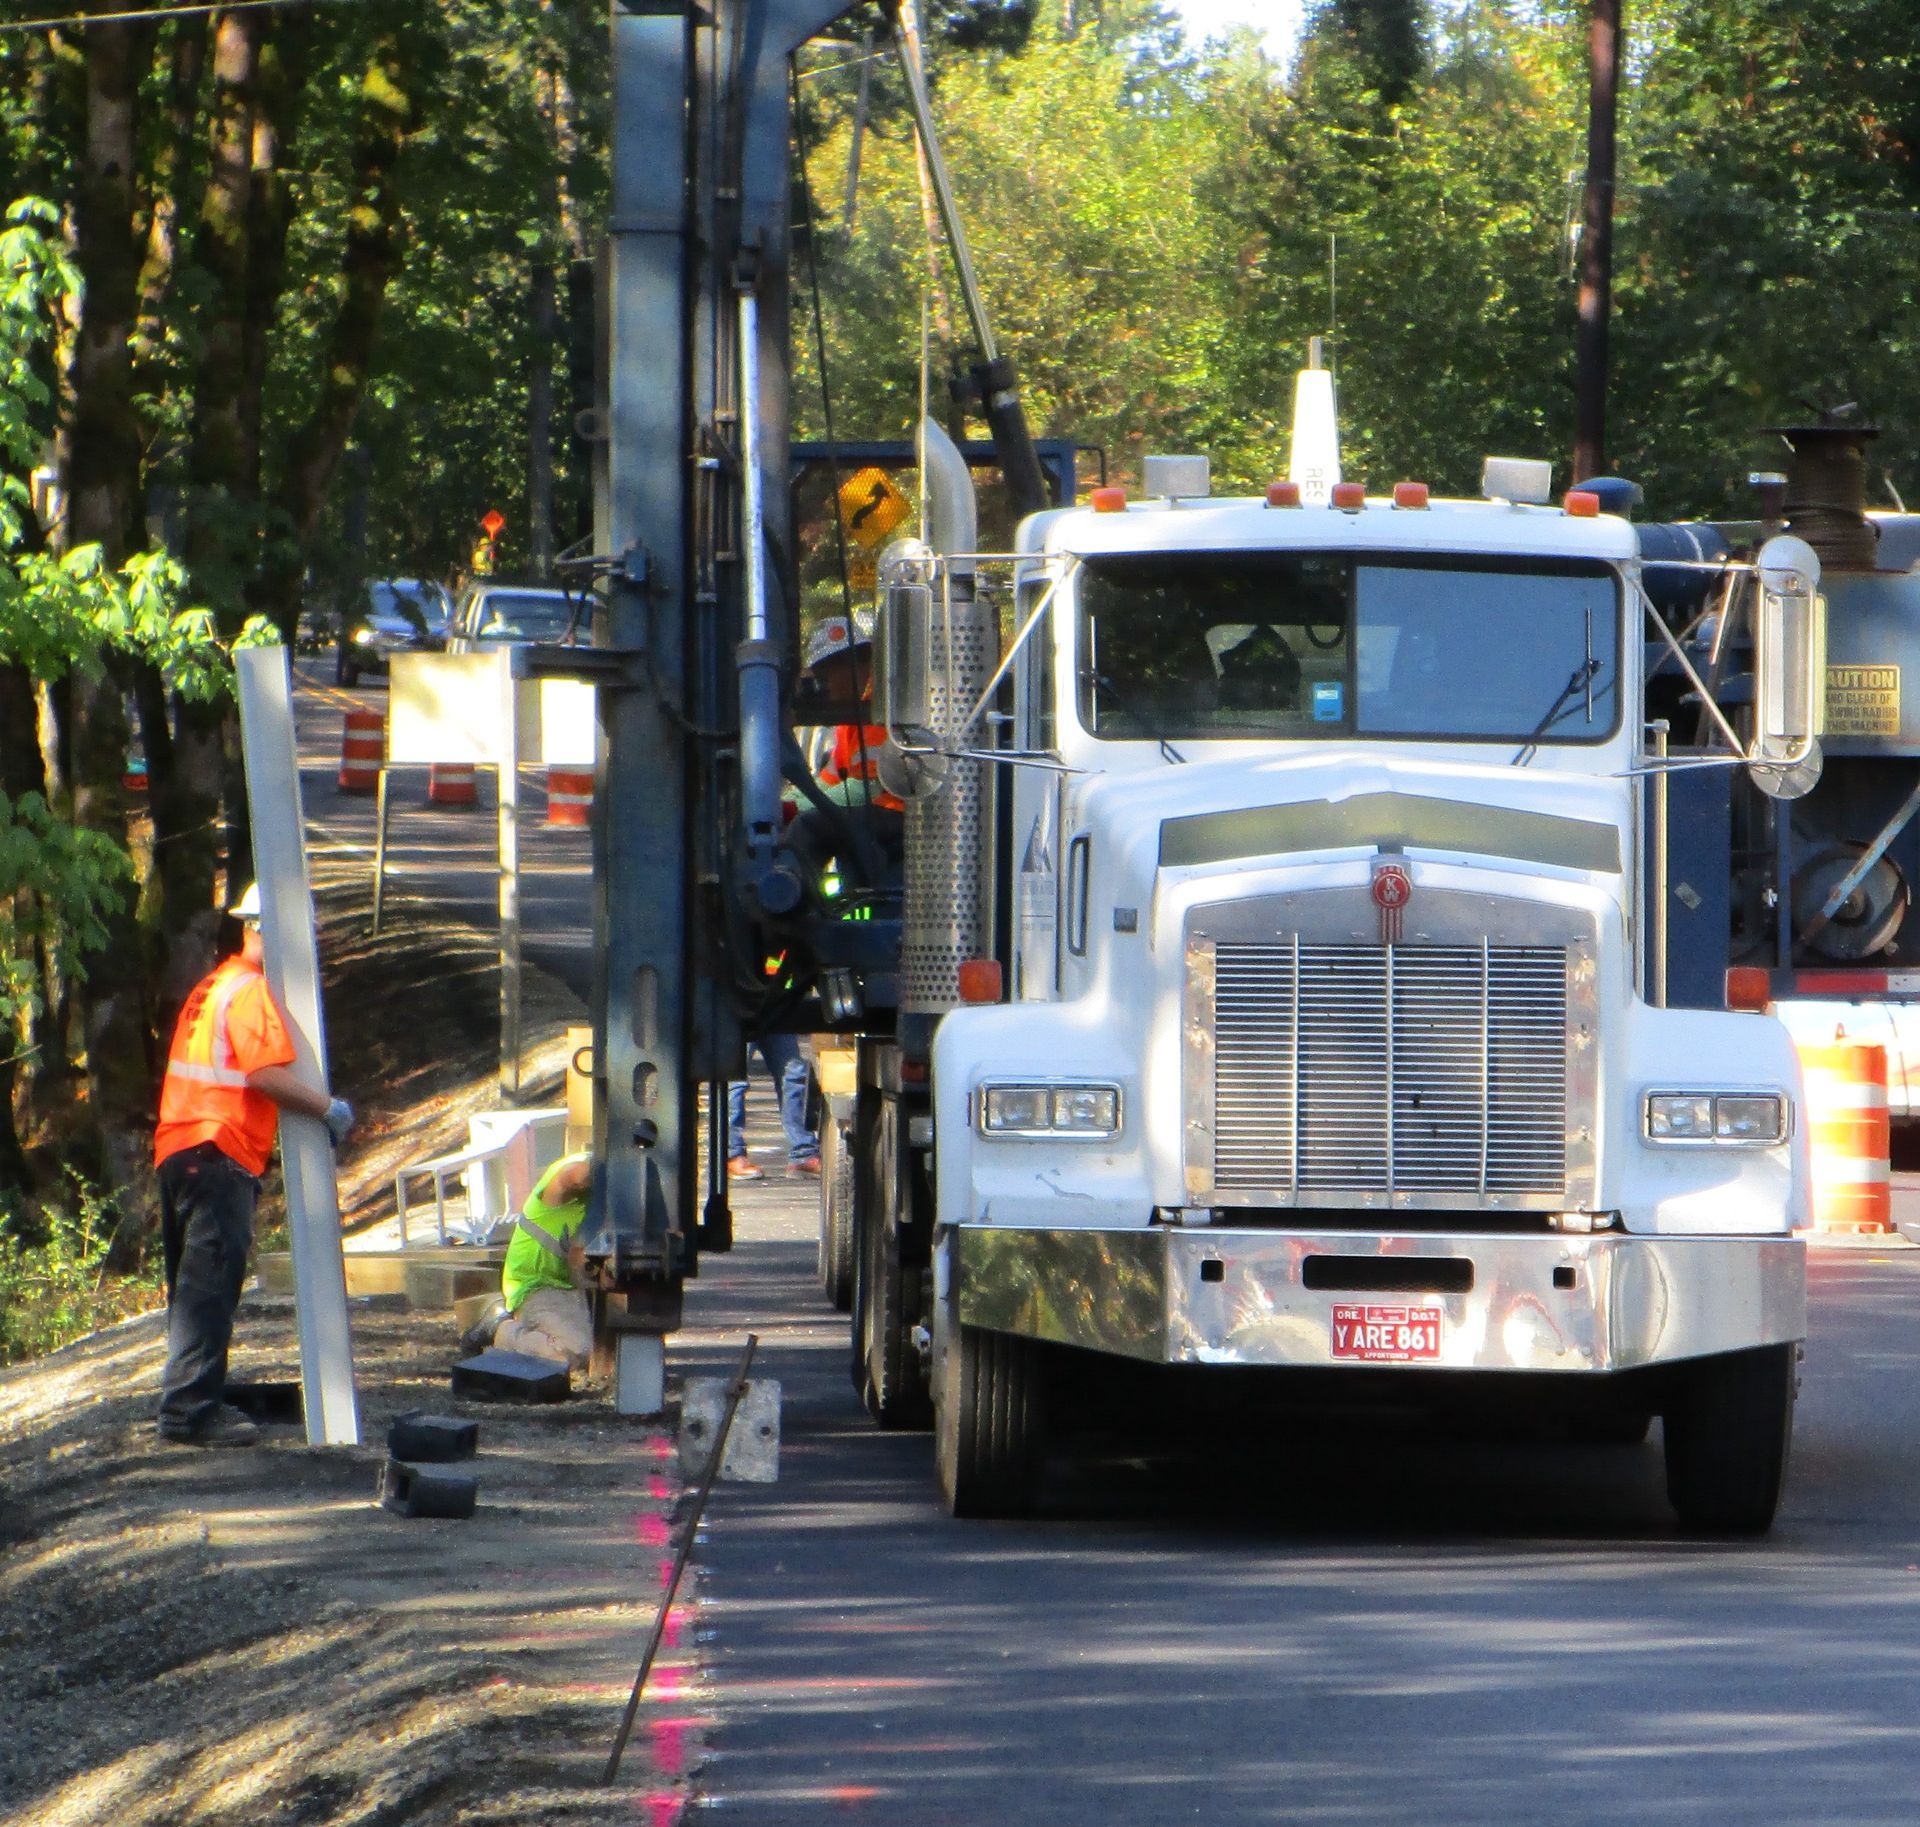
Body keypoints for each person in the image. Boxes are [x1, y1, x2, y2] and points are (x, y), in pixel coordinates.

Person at [154, 883, 353, 1447]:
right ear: (273, 928)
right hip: (217, 1154)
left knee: (195, 1289)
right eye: (306, 933)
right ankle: (190, 1413)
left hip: (183, 1152)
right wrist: (326, 1109)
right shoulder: (248, 992)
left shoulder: (214, 985)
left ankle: (190, 1399)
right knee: (209, 1287)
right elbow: (262, 1074)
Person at [462, 1152, 596, 1368]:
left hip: (571, 1289)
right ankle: (499, 1330)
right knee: (572, 1353)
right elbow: (573, 1176)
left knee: (594, 1352)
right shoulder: (567, 1174)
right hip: (536, 1285)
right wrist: (610, 1172)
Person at [726, 1036, 819, 1180]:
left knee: (794, 1076)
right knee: (735, 1079)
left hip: (776, 1016)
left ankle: (804, 1155)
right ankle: (732, 1154)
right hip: (739, 1016)